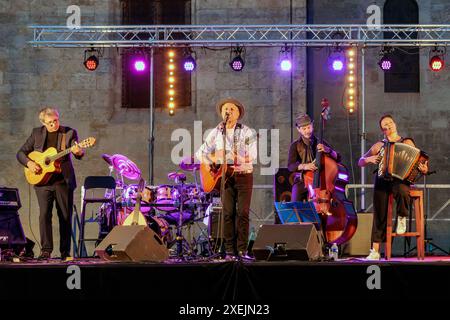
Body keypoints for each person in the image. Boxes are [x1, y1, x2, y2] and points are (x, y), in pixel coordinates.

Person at [17, 107, 84, 261]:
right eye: (50, 122)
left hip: (63, 182)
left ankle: (65, 252)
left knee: (65, 216)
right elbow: (20, 153)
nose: (54, 124)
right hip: (42, 182)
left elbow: (78, 152)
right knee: (44, 215)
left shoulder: (69, 133)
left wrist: (78, 151)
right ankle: (46, 250)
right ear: (43, 123)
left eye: (55, 120)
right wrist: (30, 164)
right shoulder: (36, 133)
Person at [358, 114, 428, 260]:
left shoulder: (407, 142)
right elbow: (360, 161)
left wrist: (424, 168)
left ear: (395, 124)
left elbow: (419, 160)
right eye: (385, 125)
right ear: (383, 130)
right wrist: (368, 159)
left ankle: (402, 215)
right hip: (384, 180)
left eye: (390, 123)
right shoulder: (378, 145)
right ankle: (375, 250)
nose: (388, 125)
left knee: (402, 189)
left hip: (401, 180)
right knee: (379, 207)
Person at [195, 98, 257, 260]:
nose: (228, 111)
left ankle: (242, 250)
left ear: (238, 114)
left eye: (231, 109)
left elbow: (253, 157)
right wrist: (210, 163)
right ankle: (230, 251)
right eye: (225, 109)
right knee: (228, 213)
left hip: (243, 176)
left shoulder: (246, 132)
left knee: (242, 213)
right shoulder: (216, 132)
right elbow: (200, 153)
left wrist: (234, 156)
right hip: (225, 178)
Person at [287, 114, 341, 202]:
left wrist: (328, 150)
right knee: (295, 203)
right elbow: (291, 166)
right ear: (298, 129)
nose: (307, 131)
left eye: (309, 127)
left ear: (312, 125)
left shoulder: (321, 142)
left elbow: (338, 158)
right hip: (302, 181)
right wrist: (305, 166)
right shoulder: (295, 145)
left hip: (321, 180)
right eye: (304, 129)